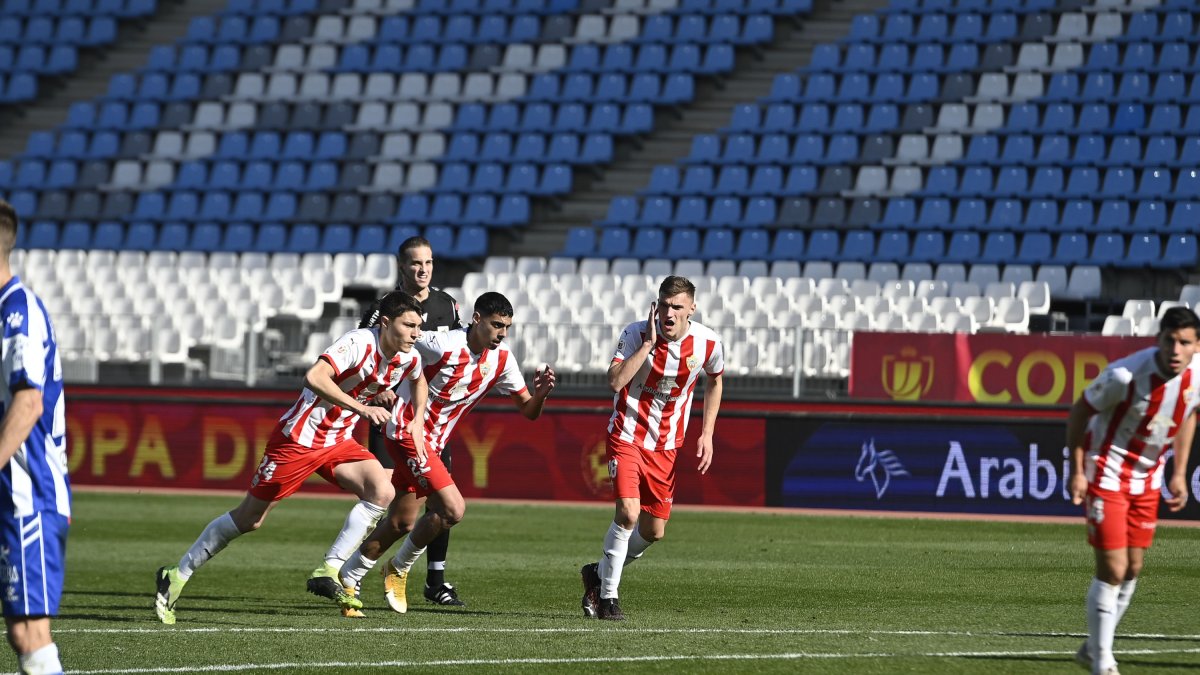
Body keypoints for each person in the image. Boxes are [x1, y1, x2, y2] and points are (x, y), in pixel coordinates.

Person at [155, 291, 428, 624]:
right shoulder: (359, 343)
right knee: (249, 519)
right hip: (298, 440)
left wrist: (416, 421)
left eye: (419, 326)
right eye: (409, 325)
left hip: (338, 441)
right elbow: (314, 377)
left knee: (381, 491)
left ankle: (329, 569)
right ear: (386, 323)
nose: (416, 333)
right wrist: (363, 408)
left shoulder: (408, 356)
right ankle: (177, 573)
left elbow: (419, 380)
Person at [331, 291, 556, 614]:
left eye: (506, 327)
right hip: (408, 432)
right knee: (453, 508)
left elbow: (528, 410)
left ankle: (350, 575)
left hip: (432, 445)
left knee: (401, 522)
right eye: (496, 325)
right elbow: (394, 339)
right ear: (476, 319)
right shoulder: (442, 344)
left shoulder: (504, 359)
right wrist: (374, 383)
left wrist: (542, 395)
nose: (501, 333)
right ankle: (398, 568)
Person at [579, 275, 724, 621]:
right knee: (628, 513)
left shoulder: (707, 342)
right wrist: (648, 346)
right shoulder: (634, 334)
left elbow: (716, 380)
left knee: (653, 531)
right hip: (627, 435)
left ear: (692, 309)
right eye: (663, 305)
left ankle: (597, 574)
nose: (669, 313)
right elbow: (614, 381)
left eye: (677, 306)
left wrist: (707, 433)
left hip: (667, 446)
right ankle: (609, 599)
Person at [1067, 306, 1199, 675]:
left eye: (1184, 342)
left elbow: (1189, 414)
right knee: (1114, 567)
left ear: (1196, 346)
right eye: (1169, 340)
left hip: (1147, 479)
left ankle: (1092, 647)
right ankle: (1103, 663)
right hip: (1106, 473)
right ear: (1157, 339)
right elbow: (1079, 412)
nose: (1176, 349)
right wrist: (1076, 471)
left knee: (1133, 568)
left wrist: (1179, 471)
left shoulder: (1197, 376)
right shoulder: (1124, 376)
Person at [358, 236, 465, 606]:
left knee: (440, 503)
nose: (423, 270)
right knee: (386, 500)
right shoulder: (383, 308)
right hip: (390, 419)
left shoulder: (447, 305)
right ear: (402, 267)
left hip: (430, 420)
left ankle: (436, 581)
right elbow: (365, 353)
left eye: (429, 263)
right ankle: (350, 568)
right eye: (416, 263)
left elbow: (460, 349)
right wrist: (377, 391)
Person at [0, 200, 69, 675]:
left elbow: (28, 404)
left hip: (28, 493)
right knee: (19, 631)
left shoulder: (17, 312)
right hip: (10, 490)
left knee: (29, 632)